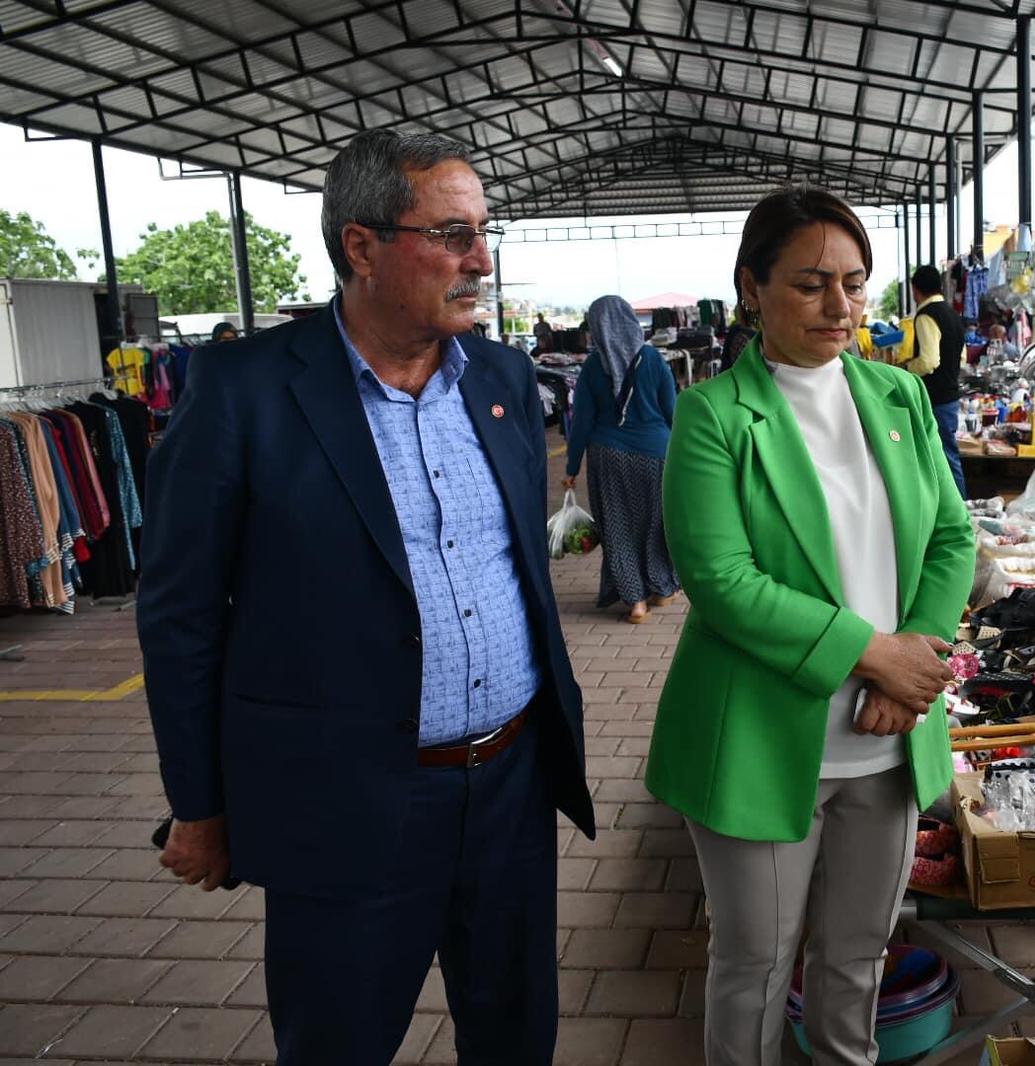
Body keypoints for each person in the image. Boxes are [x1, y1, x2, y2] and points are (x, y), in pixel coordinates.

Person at [137, 129, 595, 1065]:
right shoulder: (245, 389)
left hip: (510, 785)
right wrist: (201, 802)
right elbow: (180, 613)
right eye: (455, 233)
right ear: (361, 246)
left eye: (485, 232)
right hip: (344, 801)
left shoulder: (502, 378)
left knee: (516, 1037)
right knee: (337, 1042)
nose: (481, 259)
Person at [645, 186, 974, 1066]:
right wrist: (877, 656)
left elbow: (951, 535)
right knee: (753, 965)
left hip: (888, 740)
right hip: (764, 736)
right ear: (751, 289)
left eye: (856, 283)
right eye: (811, 284)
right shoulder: (714, 415)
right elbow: (720, 581)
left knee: (857, 960)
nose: (841, 307)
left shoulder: (898, 396)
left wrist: (917, 667)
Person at [561, 295, 681, 624]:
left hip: (607, 457)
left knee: (617, 528)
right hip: (656, 455)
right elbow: (673, 412)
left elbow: (581, 422)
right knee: (657, 523)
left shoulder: (592, 366)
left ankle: (635, 601)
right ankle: (662, 588)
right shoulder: (653, 359)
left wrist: (572, 468)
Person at [905, 264, 968, 500]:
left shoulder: (926, 315)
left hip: (935, 399)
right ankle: (960, 508)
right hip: (950, 396)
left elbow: (929, 361)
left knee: (939, 457)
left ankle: (958, 510)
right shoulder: (952, 314)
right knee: (949, 455)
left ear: (915, 289)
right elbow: (961, 356)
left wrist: (904, 368)